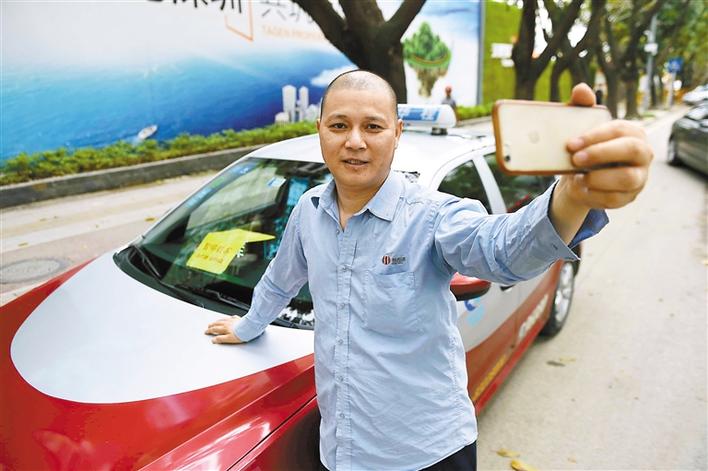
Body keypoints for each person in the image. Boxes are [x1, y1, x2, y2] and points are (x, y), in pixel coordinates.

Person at [205, 70, 652, 470]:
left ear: (396, 133)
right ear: (320, 129)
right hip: (339, 450)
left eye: (373, 127)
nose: (355, 141)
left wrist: (571, 196)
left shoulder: (431, 216)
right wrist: (248, 325)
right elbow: (280, 278)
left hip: (427, 454)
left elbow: (501, 251)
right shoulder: (309, 210)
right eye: (339, 125)